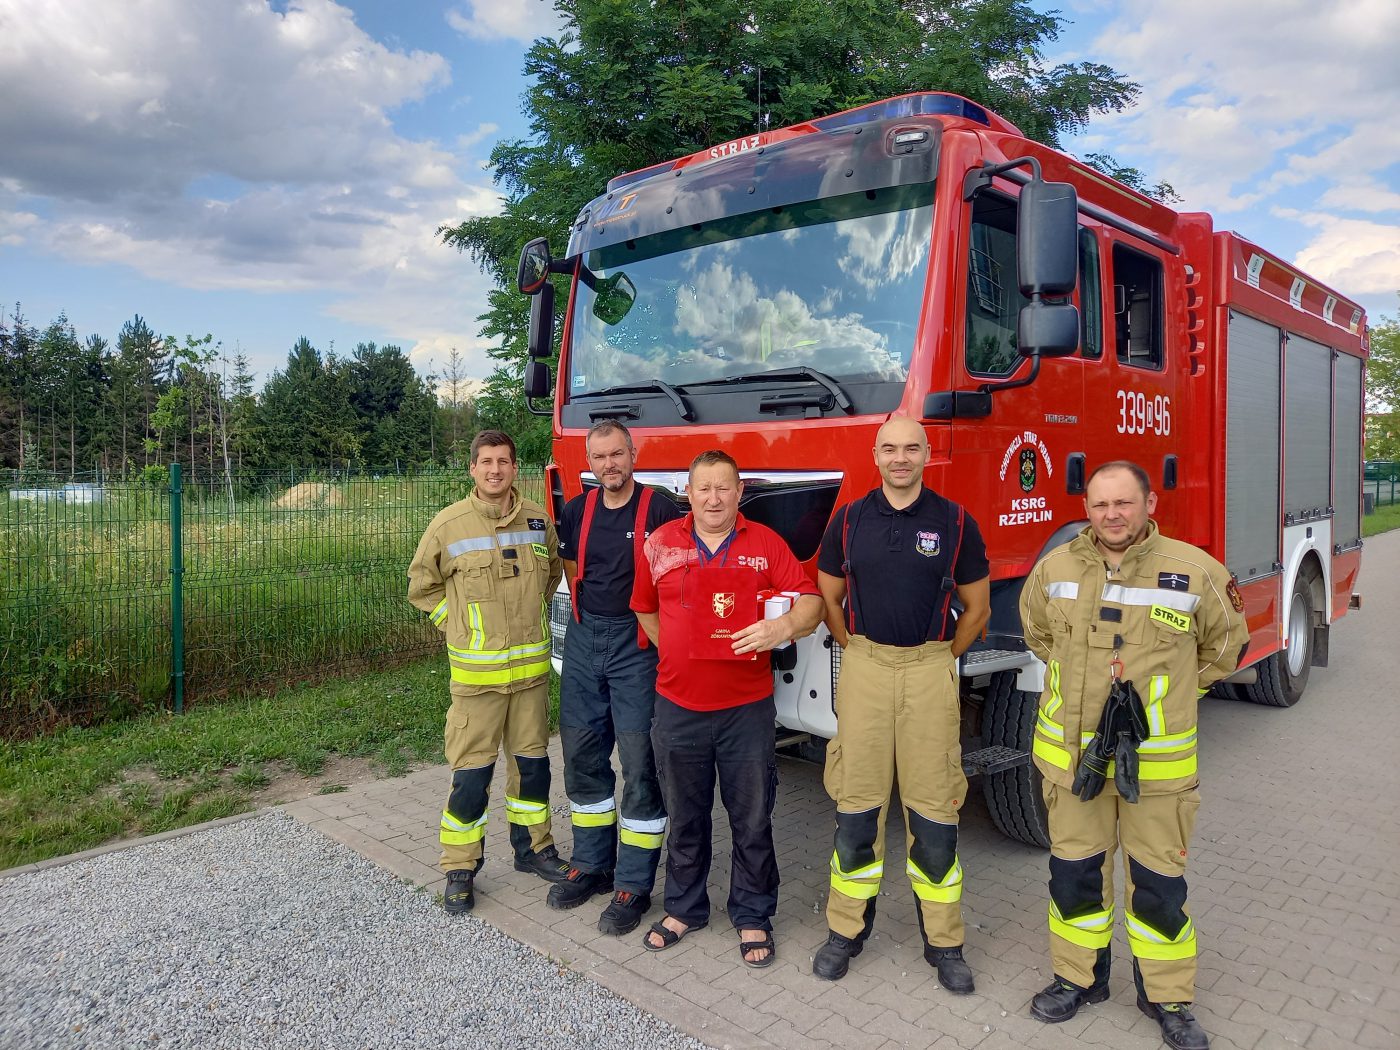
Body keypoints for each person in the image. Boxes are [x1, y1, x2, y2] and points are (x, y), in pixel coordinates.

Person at [1019, 461, 1247, 1050]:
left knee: (1158, 885)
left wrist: (1170, 691)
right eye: (1099, 505)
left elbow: (1224, 647)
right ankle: (1077, 979)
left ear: (1149, 505)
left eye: (1123, 503)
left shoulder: (1194, 571)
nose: (1111, 515)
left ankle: (1167, 997)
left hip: (1157, 771)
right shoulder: (1056, 568)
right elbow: (1037, 635)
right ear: (1086, 508)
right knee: (1073, 877)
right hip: (1072, 764)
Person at [810, 416, 991, 992]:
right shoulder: (850, 519)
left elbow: (978, 609)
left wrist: (941, 657)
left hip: (928, 670)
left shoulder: (955, 522)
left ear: (927, 453)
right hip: (865, 668)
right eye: (890, 448)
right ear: (876, 455)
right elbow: (828, 595)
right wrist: (854, 649)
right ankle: (844, 931)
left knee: (935, 809)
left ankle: (945, 941)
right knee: (856, 806)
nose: (900, 457)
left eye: (911, 447)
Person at [631, 449, 823, 967]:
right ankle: (684, 908)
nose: (714, 497)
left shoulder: (765, 544)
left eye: (724, 487)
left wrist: (780, 628)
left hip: (746, 710)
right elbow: (646, 608)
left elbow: (812, 602)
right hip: (677, 706)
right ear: (687, 494)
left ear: (741, 493)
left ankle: (753, 914)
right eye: (704, 488)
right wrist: (678, 650)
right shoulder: (661, 544)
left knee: (752, 818)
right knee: (687, 817)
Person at [407, 430, 572, 914]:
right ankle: (460, 867)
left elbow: (552, 577)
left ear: (514, 468)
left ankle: (535, 850)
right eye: (486, 462)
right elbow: (422, 586)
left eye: (503, 461)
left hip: (530, 679)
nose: (495, 470)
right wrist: (455, 625)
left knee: (533, 771)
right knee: (471, 777)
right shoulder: (448, 526)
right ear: (472, 470)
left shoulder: (540, 519)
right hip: (477, 683)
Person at [548, 420, 681, 935]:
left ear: (633, 454)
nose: (610, 465)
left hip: (638, 644)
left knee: (639, 758)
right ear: (591, 461)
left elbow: (680, 575)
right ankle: (592, 864)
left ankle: (633, 882)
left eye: (618, 455)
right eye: (600, 457)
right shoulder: (577, 510)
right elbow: (568, 567)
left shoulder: (660, 509)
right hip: (585, 640)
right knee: (581, 752)